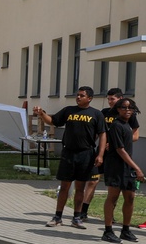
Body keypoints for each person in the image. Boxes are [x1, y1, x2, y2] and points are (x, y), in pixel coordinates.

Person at [34, 86, 106, 228]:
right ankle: (57, 217)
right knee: (65, 186)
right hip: (69, 153)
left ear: (89, 98)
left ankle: (77, 218)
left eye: (82, 95)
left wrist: (100, 154)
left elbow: (103, 134)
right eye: (77, 95)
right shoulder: (69, 110)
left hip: (86, 154)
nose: (78, 97)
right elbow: (53, 121)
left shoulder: (96, 114)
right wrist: (42, 114)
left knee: (80, 188)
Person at [80, 87, 140, 221]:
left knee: (114, 187)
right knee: (93, 180)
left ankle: (110, 217)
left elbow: (135, 135)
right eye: (108, 99)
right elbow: (98, 132)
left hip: (117, 156)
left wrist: (117, 142)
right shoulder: (104, 113)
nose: (109, 102)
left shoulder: (128, 114)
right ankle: (83, 212)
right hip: (101, 152)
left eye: (112, 99)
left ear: (120, 99)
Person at [100, 98, 144, 243]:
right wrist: (137, 168)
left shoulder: (127, 125)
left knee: (130, 197)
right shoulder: (116, 125)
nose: (127, 110)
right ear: (118, 109)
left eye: (130, 108)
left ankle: (125, 230)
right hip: (115, 166)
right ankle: (108, 231)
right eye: (124, 108)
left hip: (127, 167)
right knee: (113, 197)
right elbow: (120, 150)